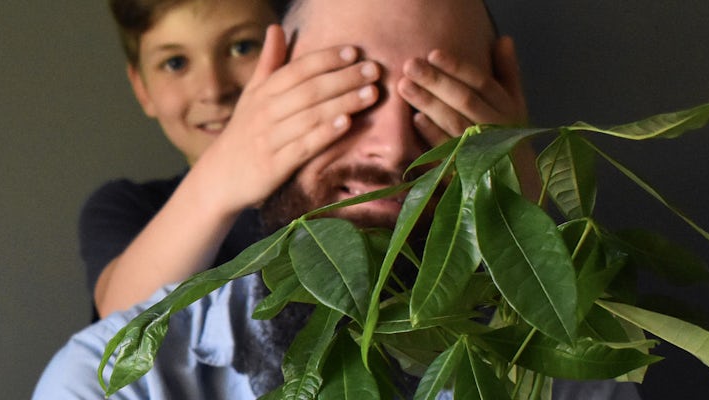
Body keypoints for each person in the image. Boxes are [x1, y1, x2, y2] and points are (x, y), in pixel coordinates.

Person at [35, 0, 620, 398]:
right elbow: (126, 328)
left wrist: (518, 186)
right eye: (352, 91)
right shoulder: (109, 377)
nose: (393, 148)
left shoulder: (557, 365)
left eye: (435, 103)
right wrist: (228, 169)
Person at [84, 0, 388, 320]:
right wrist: (224, 170)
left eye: (242, 47)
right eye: (175, 63)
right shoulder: (125, 207)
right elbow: (119, 324)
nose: (213, 89)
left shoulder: (348, 179)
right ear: (142, 88)